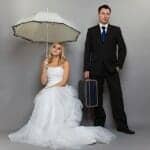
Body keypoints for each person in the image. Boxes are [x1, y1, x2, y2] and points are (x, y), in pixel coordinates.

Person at [8, 43, 115, 149]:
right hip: (48, 89)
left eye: (59, 48)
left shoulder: (65, 63)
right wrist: (45, 68)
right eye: (54, 47)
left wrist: (49, 89)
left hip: (60, 89)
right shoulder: (46, 62)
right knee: (46, 97)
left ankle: (57, 130)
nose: (56, 49)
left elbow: (64, 81)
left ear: (61, 52)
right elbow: (43, 81)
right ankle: (45, 131)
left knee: (51, 94)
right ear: (50, 49)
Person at [84, 4, 135, 134]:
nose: (105, 16)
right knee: (97, 98)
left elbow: (123, 48)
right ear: (99, 14)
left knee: (117, 96)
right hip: (95, 69)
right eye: (103, 13)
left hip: (112, 69)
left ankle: (122, 125)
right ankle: (99, 123)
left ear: (109, 15)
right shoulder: (91, 31)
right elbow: (87, 51)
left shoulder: (116, 30)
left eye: (108, 13)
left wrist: (119, 65)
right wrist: (86, 69)